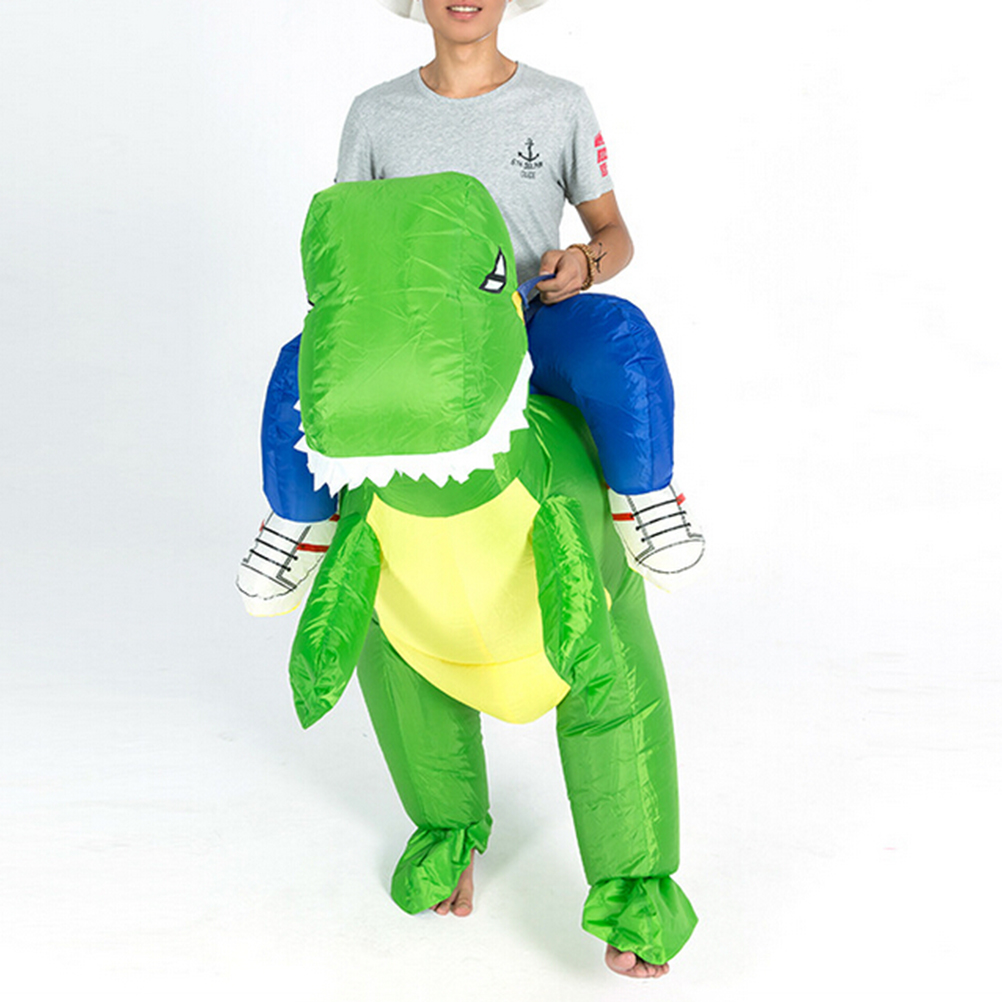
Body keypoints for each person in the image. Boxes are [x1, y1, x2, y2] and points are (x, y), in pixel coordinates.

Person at [237, 0, 705, 626]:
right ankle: (298, 522)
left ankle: (645, 496)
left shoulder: (559, 104)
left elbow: (614, 234)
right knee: (298, 362)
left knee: (620, 333)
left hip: (529, 318)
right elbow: (350, 236)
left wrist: (584, 263)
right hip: (416, 332)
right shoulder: (375, 114)